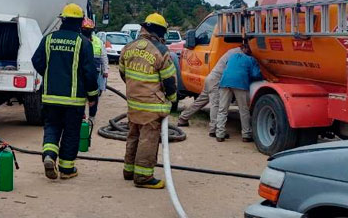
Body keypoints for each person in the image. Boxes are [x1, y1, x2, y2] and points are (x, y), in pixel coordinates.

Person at [31, 3, 99, 180]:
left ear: (62, 20)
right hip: (73, 101)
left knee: (52, 127)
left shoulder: (49, 39)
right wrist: (92, 97)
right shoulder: (83, 43)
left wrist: (50, 73)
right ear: (80, 22)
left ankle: (49, 156)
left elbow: (36, 60)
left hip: (50, 97)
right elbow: (90, 73)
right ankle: (67, 170)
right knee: (70, 133)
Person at [119, 13, 177, 189]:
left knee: (133, 135)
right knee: (148, 139)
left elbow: (123, 73)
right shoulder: (161, 51)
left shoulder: (128, 47)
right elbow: (169, 81)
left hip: (133, 102)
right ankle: (143, 177)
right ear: (160, 32)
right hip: (152, 105)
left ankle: (129, 171)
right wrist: (172, 100)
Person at [178, 47, 242, 139]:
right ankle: (214, 130)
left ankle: (183, 118)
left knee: (200, 102)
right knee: (216, 104)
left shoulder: (232, 51)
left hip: (211, 78)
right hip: (216, 80)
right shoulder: (238, 54)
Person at [215, 43, 262, 142]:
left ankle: (219, 134)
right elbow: (256, 74)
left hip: (225, 82)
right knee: (243, 110)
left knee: (222, 109)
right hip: (240, 83)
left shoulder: (232, 56)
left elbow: (228, 67)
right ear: (247, 50)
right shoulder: (251, 59)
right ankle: (246, 135)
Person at [81, 18, 109, 121]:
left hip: (95, 73)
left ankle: (92, 117)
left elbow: (104, 57)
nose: (87, 31)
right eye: (85, 29)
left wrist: (105, 71)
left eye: (89, 29)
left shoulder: (98, 41)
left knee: (94, 96)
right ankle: (82, 115)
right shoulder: (78, 39)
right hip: (81, 72)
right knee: (80, 95)